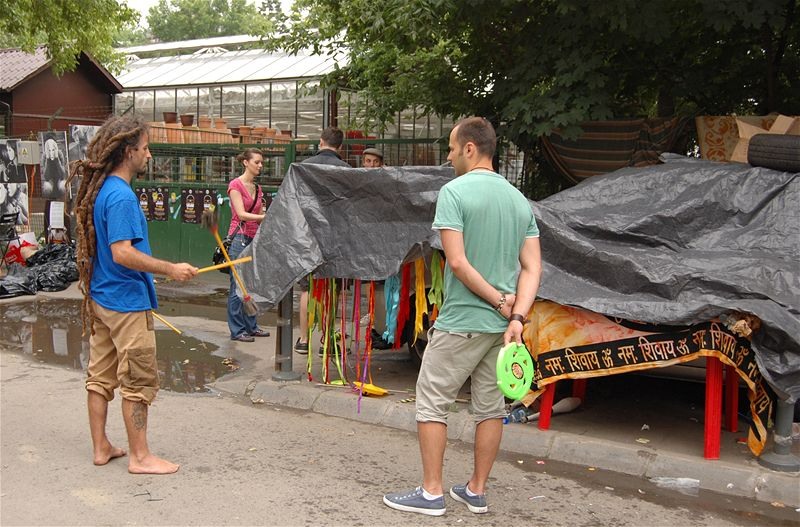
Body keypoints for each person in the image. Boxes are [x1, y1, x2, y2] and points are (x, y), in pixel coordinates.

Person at [383, 117, 542, 516]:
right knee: (491, 409)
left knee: (431, 402)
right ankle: (476, 490)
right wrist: (516, 317)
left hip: (463, 321)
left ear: (470, 148)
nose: (449, 156)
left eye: (452, 149)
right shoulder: (518, 199)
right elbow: (532, 268)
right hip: (502, 330)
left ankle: (432, 493)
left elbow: (456, 261)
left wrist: (499, 302)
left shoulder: (454, 192)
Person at [72, 115, 198, 474]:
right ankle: (140, 457)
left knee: (99, 378)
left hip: (103, 299)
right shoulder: (122, 197)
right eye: (145, 148)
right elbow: (122, 253)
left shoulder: (104, 190)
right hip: (126, 303)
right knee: (138, 381)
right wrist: (170, 269)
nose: (149, 154)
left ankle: (101, 448)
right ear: (129, 151)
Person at [294, 126, 350, 354]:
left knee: (307, 288)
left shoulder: (303, 167)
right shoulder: (347, 170)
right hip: (336, 239)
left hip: (309, 237)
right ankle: (326, 341)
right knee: (332, 289)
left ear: (320, 142)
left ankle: (303, 340)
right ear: (340, 147)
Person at [227, 148, 269, 342]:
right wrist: (264, 217)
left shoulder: (258, 189)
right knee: (238, 285)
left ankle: (251, 326)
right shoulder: (235, 185)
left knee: (251, 285)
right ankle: (237, 330)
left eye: (261, 162)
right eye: (257, 162)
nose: (260, 165)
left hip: (253, 238)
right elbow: (241, 214)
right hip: (239, 238)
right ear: (246, 162)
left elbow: (259, 215)